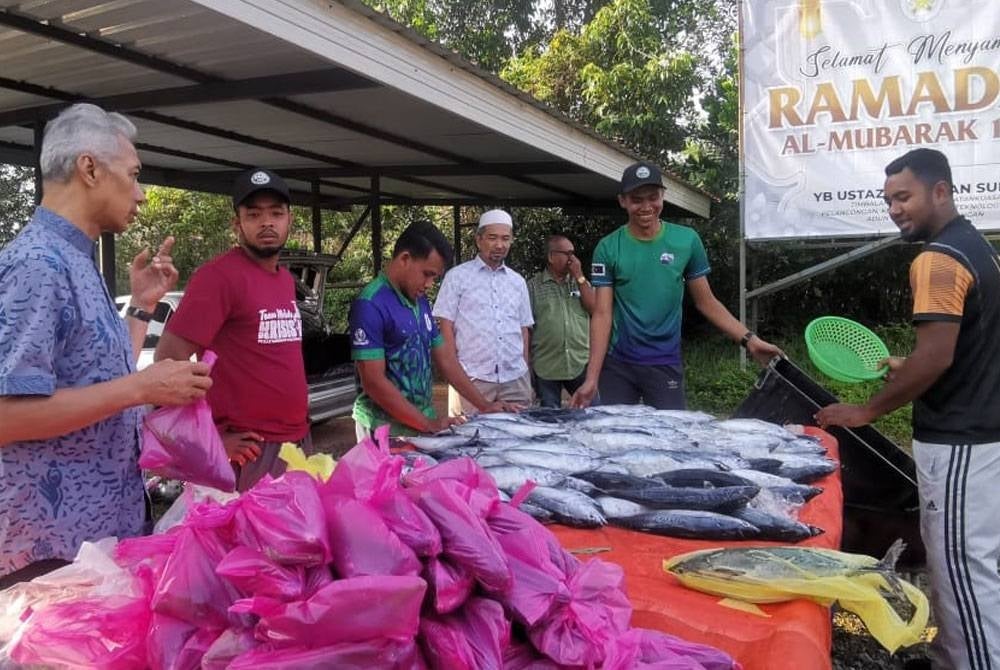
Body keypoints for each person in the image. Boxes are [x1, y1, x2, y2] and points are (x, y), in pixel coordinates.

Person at [0, 103, 212, 587]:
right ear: (89, 168)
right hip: (51, 554)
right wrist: (141, 388)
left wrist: (140, 306)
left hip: (99, 537)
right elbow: (6, 415)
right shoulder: (38, 264)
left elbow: (93, 371)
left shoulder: (74, 257)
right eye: (134, 175)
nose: (140, 194)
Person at [817, 148, 1000, 669]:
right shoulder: (975, 247)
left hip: (962, 439)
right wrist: (910, 362)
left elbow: (938, 356)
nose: (895, 209)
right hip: (975, 432)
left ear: (939, 191)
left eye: (904, 197)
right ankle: (949, 657)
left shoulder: (938, 258)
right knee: (952, 564)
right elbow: (967, 344)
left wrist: (866, 411)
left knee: (964, 567)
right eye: (889, 200)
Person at [571, 161, 780, 409]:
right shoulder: (608, 247)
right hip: (618, 365)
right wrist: (592, 378)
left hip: (665, 362)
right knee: (614, 439)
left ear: (663, 196)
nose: (646, 206)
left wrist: (750, 341)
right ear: (623, 201)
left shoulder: (686, 241)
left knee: (670, 442)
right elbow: (602, 314)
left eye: (653, 197)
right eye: (637, 199)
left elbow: (707, 302)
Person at [155, 168, 309, 492]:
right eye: (254, 214)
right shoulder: (218, 277)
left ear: (289, 220)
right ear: (237, 225)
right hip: (250, 450)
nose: (267, 222)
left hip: (296, 441)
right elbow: (168, 360)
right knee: (250, 543)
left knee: (294, 541)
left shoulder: (284, 279)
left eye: (276, 213)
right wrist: (207, 440)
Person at [349, 221, 513, 438]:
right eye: (427, 274)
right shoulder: (370, 304)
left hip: (420, 423)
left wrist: (483, 405)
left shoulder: (420, 300)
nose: (429, 284)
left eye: (434, 277)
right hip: (383, 429)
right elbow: (373, 382)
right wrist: (428, 424)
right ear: (405, 259)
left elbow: (445, 358)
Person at [433, 209, 534, 416]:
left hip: (515, 381)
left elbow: (523, 329)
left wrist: (522, 367)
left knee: (519, 440)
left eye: (506, 239)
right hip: (472, 380)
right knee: (471, 441)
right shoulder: (457, 278)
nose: (500, 245)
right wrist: (455, 372)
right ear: (478, 240)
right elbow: (446, 329)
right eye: (492, 238)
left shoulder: (517, 282)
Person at [527, 233, 597, 407]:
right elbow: (526, 328)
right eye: (567, 253)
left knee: (592, 414)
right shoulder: (533, 286)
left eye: (573, 253)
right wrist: (527, 365)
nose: (572, 258)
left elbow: (595, 308)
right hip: (546, 366)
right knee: (550, 421)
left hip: (578, 362)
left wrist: (580, 276)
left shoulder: (579, 282)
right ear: (551, 256)